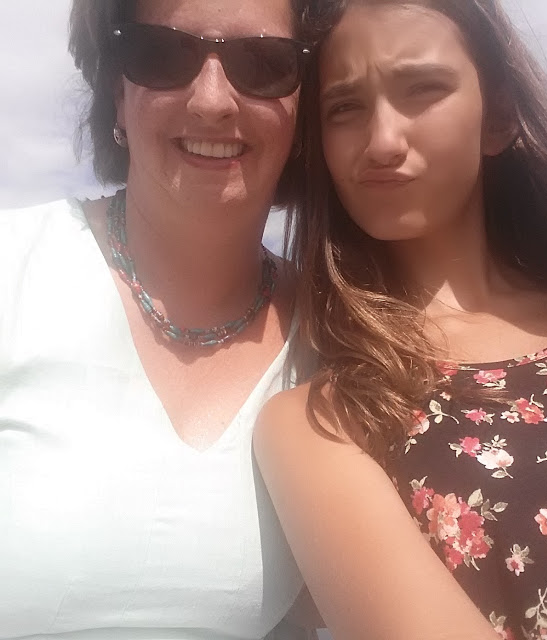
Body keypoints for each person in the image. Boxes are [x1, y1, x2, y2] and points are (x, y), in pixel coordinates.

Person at [254, 1, 547, 639]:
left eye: (423, 89)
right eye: (344, 108)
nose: (382, 141)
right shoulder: (330, 418)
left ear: (499, 116)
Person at [0, 0, 315, 638]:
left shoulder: (341, 343)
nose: (212, 101)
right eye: (162, 54)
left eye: (263, 63)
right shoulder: (14, 266)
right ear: (117, 95)